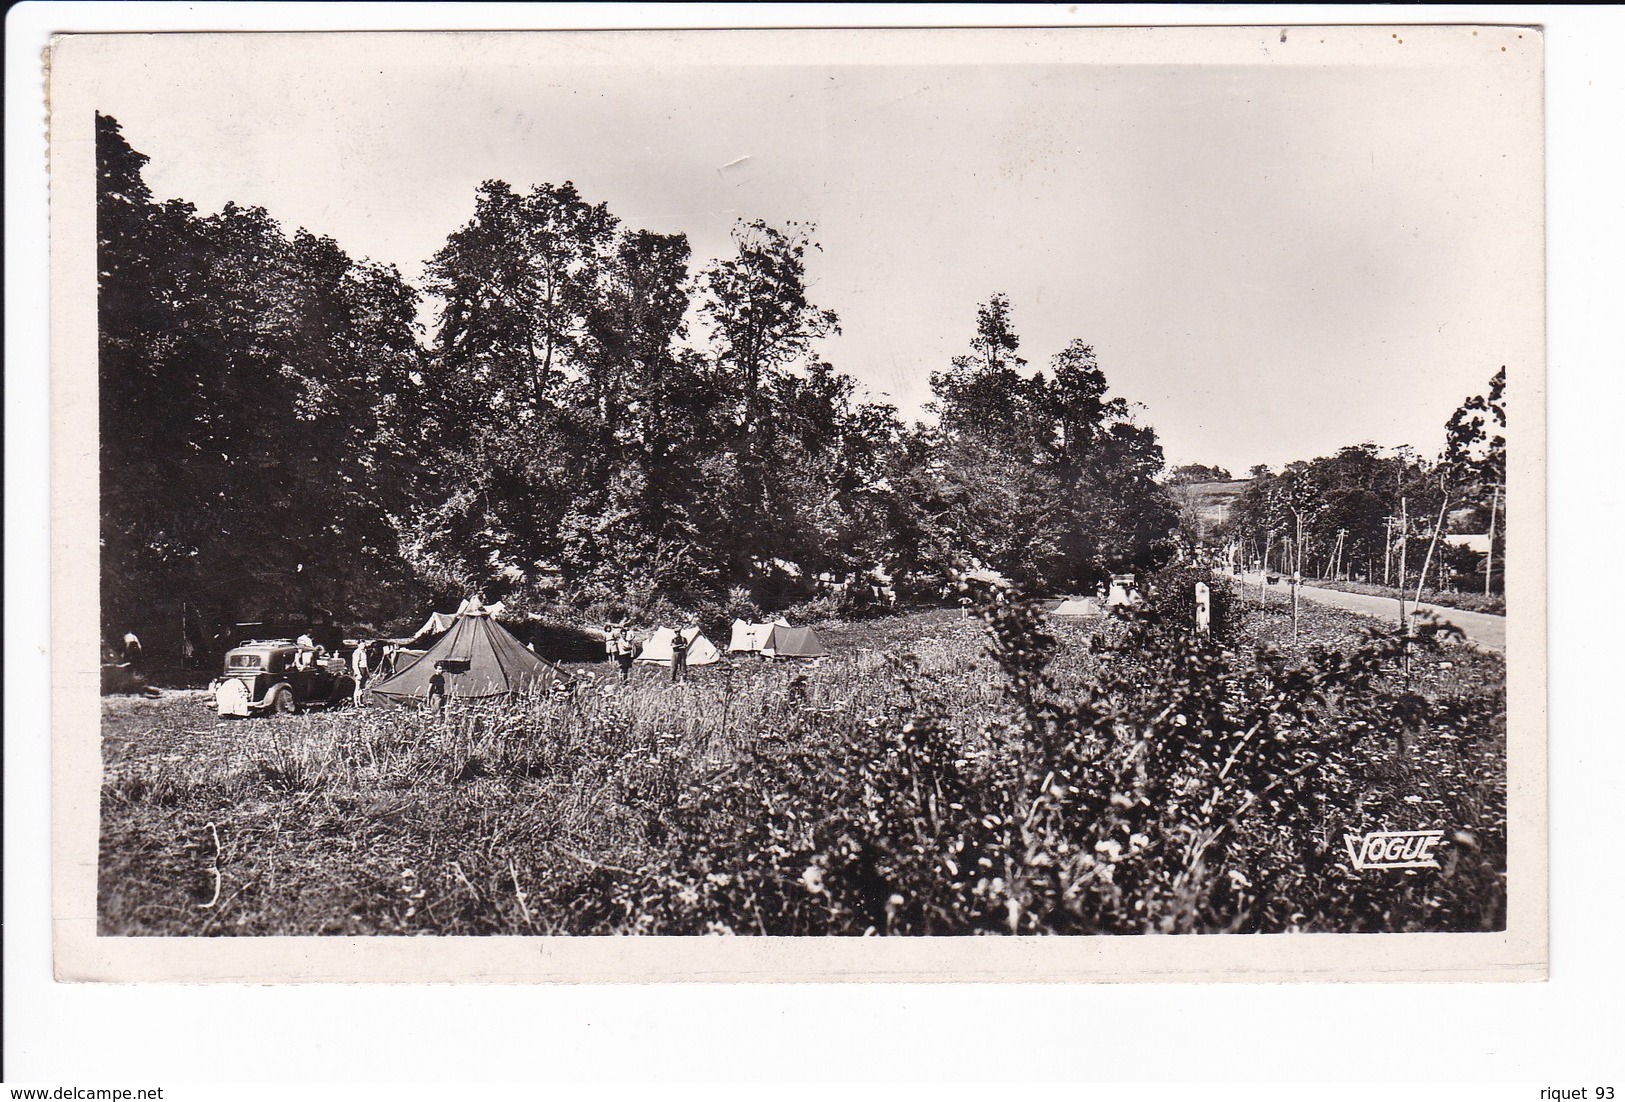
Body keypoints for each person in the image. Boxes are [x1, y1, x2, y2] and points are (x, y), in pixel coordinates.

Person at [351, 640, 370, 704]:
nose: (363, 646)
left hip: (364, 669)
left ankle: (360, 701)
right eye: (361, 645)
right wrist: (358, 673)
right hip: (359, 669)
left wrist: (367, 672)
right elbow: (355, 664)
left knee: (362, 686)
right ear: (358, 645)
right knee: (357, 687)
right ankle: (356, 702)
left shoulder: (364, 652)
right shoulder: (356, 652)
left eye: (364, 645)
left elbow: (366, 663)